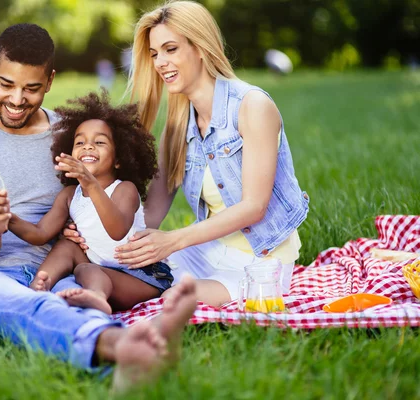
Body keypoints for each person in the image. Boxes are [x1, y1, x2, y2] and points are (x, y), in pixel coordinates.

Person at [0, 23, 196, 390]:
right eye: (5, 84)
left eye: (31, 88)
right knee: (31, 306)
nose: (17, 99)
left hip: (64, 271)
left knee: (71, 300)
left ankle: (122, 360)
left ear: (50, 81)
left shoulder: (72, 136)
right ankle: (121, 345)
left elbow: (108, 198)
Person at [65, 1, 310, 307]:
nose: (159, 62)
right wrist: (94, 232)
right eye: (155, 54)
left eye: (170, 49)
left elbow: (254, 207)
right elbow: (150, 215)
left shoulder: (252, 106)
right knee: (108, 269)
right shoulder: (178, 127)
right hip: (207, 250)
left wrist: (173, 241)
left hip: (263, 259)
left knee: (172, 299)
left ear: (201, 48)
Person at [0, 90, 173, 315]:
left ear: (120, 158)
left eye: (99, 142)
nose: (88, 147)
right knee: (67, 246)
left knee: (86, 269)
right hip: (100, 270)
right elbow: (40, 233)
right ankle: (37, 288)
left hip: (140, 278)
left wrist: (91, 184)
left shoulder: (124, 189)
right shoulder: (69, 195)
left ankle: (97, 298)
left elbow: (117, 230)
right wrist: (10, 219)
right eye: (80, 142)